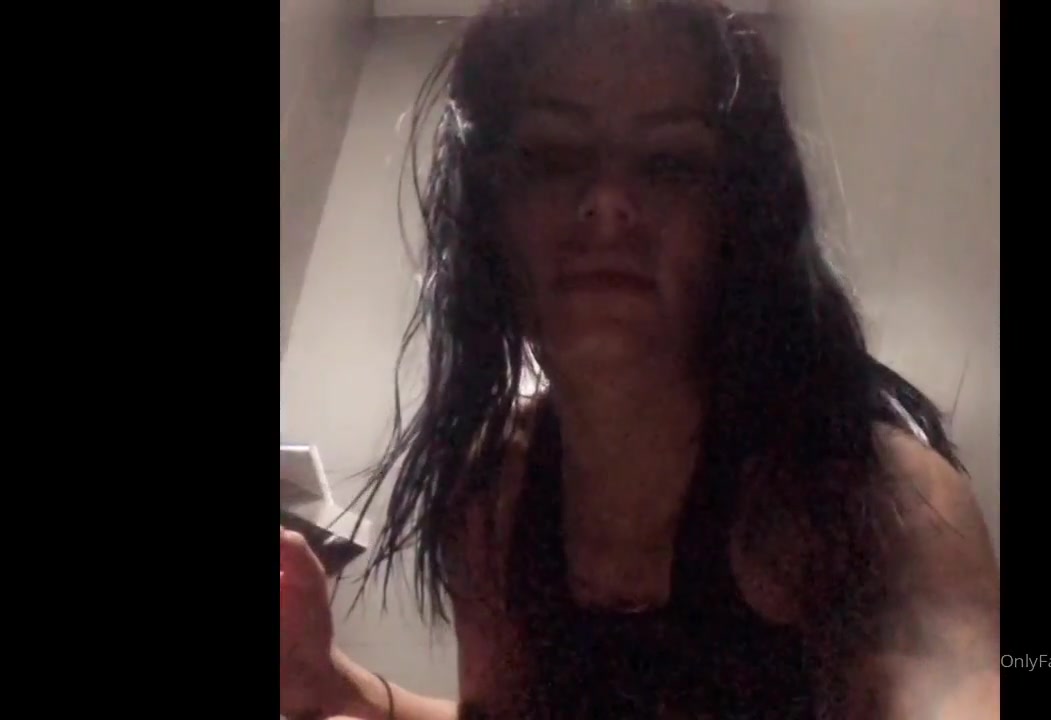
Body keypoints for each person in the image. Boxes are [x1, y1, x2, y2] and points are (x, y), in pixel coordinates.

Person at [279, 0, 1000, 717]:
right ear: (488, 218)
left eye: (670, 164)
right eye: (552, 157)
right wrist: (336, 686)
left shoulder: (876, 493)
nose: (608, 203)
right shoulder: (493, 496)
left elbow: (957, 681)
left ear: (738, 219)